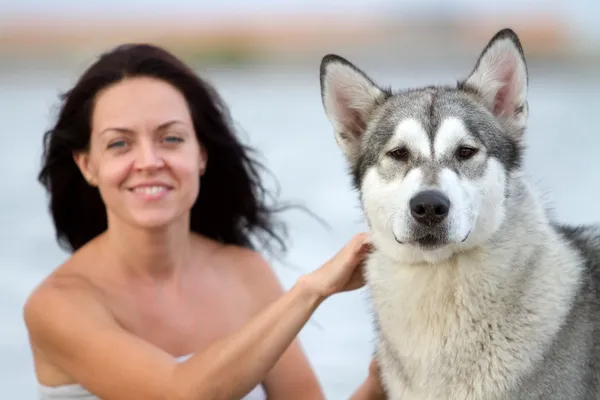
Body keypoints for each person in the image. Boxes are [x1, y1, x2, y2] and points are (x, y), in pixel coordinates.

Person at [23, 43, 385, 400]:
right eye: (119, 144)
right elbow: (179, 392)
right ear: (88, 165)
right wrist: (312, 290)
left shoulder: (245, 273)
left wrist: (378, 385)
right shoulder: (57, 305)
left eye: (171, 138)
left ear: (200, 154)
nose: (149, 160)